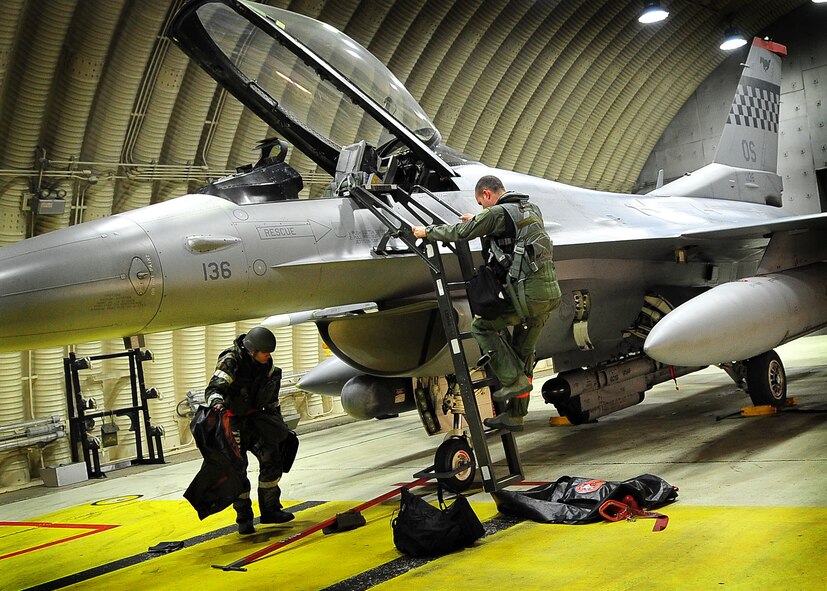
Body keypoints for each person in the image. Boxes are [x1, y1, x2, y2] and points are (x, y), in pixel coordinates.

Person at [412, 175, 561, 431]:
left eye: (481, 203)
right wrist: (480, 220)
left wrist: (427, 232)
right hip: (548, 295)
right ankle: (515, 415)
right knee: (523, 353)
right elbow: (512, 235)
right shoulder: (529, 208)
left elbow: (461, 233)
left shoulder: (496, 213)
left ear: (487, 194)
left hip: (525, 298)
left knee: (481, 327)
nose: (482, 208)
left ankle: (513, 380)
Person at [203, 326, 294, 534]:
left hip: (256, 419)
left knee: (272, 460)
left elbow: (271, 400)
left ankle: (271, 510)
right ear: (252, 351)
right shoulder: (231, 361)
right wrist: (217, 404)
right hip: (231, 421)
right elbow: (213, 389)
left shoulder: (268, 367)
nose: (268, 356)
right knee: (237, 469)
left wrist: (278, 426)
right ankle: (244, 518)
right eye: (265, 352)